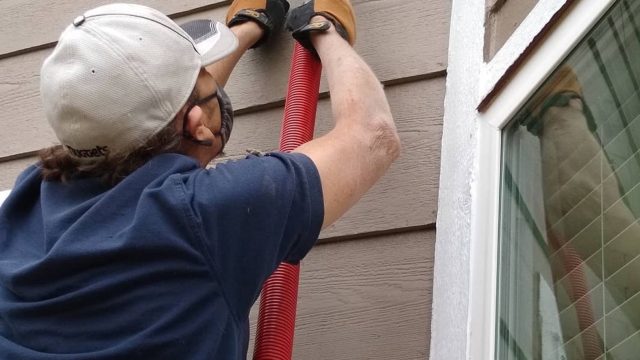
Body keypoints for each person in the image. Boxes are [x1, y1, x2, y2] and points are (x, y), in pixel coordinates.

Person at [0, 0, 399, 359]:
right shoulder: (202, 216)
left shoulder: (22, 203)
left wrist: (248, 27)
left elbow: (162, 123)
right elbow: (372, 135)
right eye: (204, 79)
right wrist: (324, 28)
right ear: (197, 124)